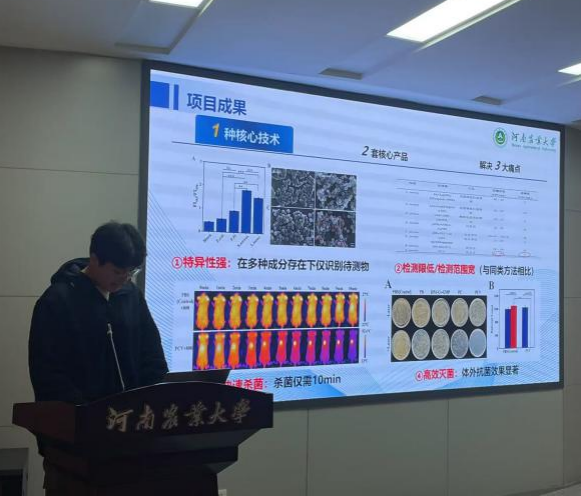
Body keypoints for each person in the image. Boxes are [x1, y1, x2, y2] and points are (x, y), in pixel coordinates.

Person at [29, 221, 168, 405]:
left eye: (131, 272)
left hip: (134, 415)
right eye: (117, 272)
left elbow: (152, 356)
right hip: (80, 416)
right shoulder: (57, 301)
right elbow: (47, 372)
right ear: (94, 259)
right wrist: (86, 412)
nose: (125, 279)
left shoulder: (131, 296)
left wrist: (153, 400)